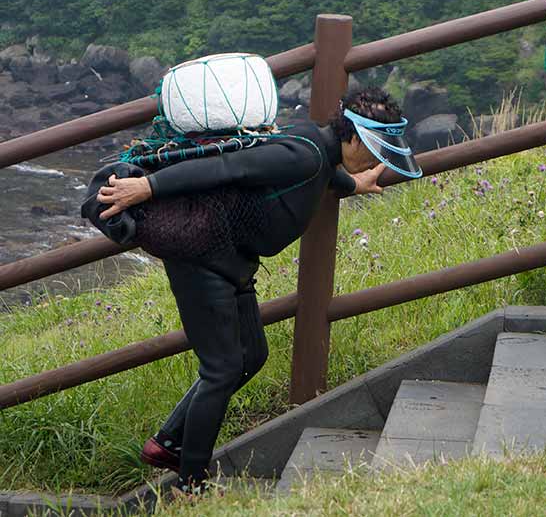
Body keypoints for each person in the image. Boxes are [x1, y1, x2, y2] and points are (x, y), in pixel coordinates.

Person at [86, 87, 420, 495]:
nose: (376, 162)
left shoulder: (318, 151)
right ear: (350, 135)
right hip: (201, 257)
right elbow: (232, 167)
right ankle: (190, 485)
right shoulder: (305, 152)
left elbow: (321, 174)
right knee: (222, 368)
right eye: (371, 151)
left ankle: (170, 442)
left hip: (229, 257)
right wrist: (149, 188)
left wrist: (353, 184)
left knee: (252, 355)